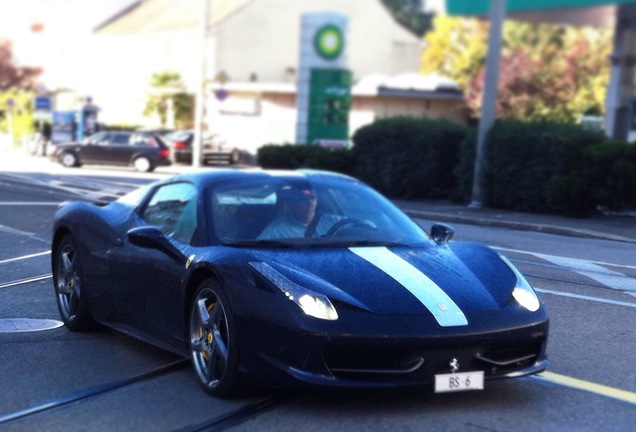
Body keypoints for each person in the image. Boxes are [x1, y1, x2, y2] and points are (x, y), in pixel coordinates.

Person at [257, 185, 341, 239]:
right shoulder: (277, 229)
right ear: (294, 203)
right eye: (304, 199)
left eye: (313, 198)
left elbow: (353, 226)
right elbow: (258, 251)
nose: (310, 203)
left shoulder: (332, 221)